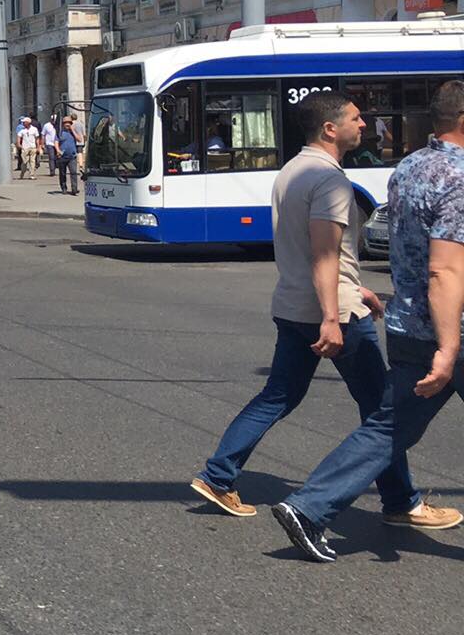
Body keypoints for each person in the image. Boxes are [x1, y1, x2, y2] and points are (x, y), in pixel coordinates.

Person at [189, 92, 450, 536]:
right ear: (330, 129)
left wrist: (356, 285)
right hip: (333, 315)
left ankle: (217, 475)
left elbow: (316, 252)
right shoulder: (329, 180)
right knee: (383, 412)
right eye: (354, 118)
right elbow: (323, 252)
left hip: (293, 303)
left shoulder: (292, 170)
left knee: (279, 396)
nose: (364, 124)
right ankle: (400, 501)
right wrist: (333, 313)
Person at [271, 82, 464, 561]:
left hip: (409, 323)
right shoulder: (458, 177)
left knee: (389, 427)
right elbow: (445, 268)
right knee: (389, 426)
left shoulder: (411, 167)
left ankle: (309, 506)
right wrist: (448, 345)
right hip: (450, 330)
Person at [56, 115, 84, 195]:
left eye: (69, 123)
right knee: (62, 173)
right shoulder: (60, 132)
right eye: (65, 123)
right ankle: (64, 187)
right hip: (62, 156)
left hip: (72, 156)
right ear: (63, 124)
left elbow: (79, 139)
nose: (67, 124)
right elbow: (56, 142)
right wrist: (58, 150)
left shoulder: (73, 132)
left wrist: (73, 131)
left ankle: (74, 189)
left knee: (73, 172)